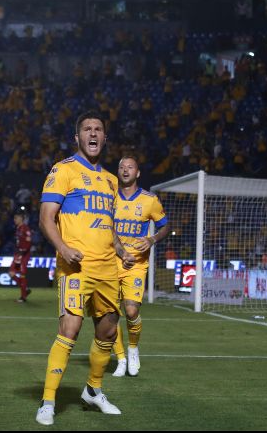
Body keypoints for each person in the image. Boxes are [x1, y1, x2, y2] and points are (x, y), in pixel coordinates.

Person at [35, 111, 135, 426]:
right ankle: (48, 401)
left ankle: (93, 389)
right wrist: (63, 248)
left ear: (105, 138)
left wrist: (120, 249)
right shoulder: (63, 170)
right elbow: (45, 217)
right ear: (77, 137)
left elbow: (107, 224)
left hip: (108, 267)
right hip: (76, 267)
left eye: (98, 129)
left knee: (107, 329)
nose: (93, 134)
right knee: (71, 329)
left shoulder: (110, 179)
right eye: (87, 129)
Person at [110, 155, 169, 378]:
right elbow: (106, 226)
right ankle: (121, 359)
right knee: (111, 314)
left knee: (131, 310)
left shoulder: (149, 200)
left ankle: (133, 348)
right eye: (121, 167)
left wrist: (152, 239)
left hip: (136, 264)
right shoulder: (110, 197)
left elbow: (163, 226)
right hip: (111, 262)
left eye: (130, 167)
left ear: (138, 173)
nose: (125, 170)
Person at [9, 210, 32, 303]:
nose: (14, 220)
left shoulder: (25, 228)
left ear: (21, 219)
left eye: (16, 218)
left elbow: (29, 241)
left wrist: (23, 252)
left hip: (23, 255)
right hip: (18, 254)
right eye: (14, 218)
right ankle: (25, 289)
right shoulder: (18, 228)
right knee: (12, 273)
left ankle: (23, 297)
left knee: (22, 274)